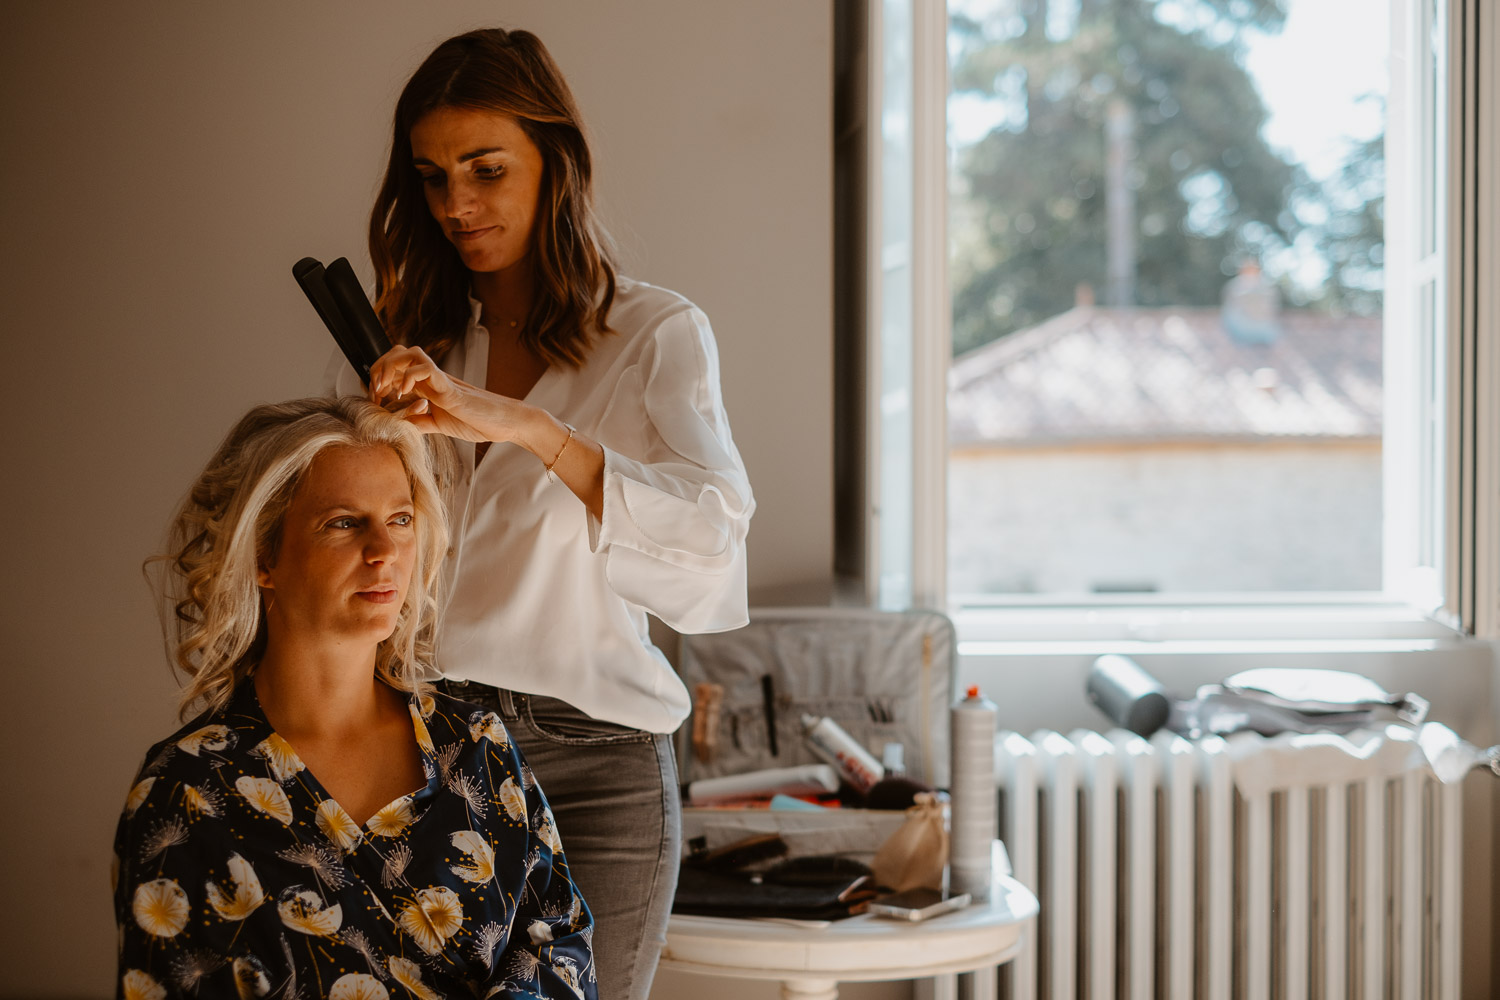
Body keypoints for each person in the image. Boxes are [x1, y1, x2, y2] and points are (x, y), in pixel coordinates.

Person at [327, 28, 755, 1000]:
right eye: (432, 177)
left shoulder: (652, 336)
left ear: (555, 162)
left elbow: (712, 542)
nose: (456, 205)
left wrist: (528, 427)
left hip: (597, 761)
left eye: (486, 168)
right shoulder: (417, 342)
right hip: (424, 750)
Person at [114, 396, 595, 999]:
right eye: (343, 523)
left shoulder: (474, 748)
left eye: (400, 519)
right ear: (263, 556)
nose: (384, 551)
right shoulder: (186, 791)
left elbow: (557, 942)